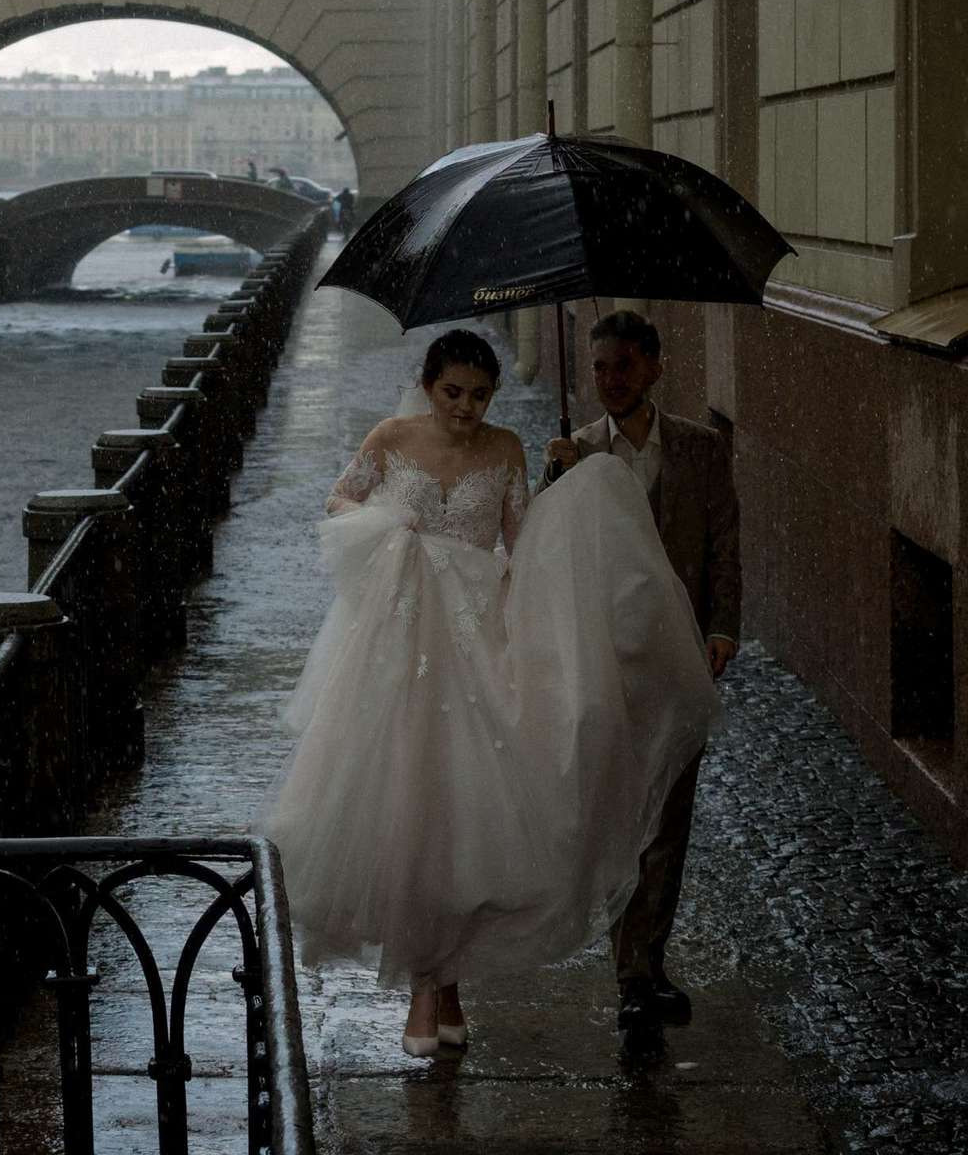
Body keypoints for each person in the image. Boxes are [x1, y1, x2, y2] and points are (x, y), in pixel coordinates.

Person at [260, 329, 719, 1058]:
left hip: (476, 645)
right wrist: (389, 525)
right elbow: (339, 501)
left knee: (466, 819)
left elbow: (523, 544)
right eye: (452, 392)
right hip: (397, 648)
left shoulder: (505, 450)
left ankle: (443, 984)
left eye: (479, 395)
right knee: (407, 809)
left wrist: (569, 487)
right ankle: (428, 986)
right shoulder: (391, 437)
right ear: (428, 385)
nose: (465, 407)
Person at [542, 309, 740, 1033]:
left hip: (679, 656)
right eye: (598, 367)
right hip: (606, 658)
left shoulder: (700, 449)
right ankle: (630, 973)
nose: (610, 380)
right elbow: (543, 552)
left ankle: (647, 961)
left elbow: (724, 543)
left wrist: (722, 628)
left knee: (670, 817)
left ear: (655, 366)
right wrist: (554, 479)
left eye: (623, 365)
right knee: (621, 815)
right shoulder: (577, 452)